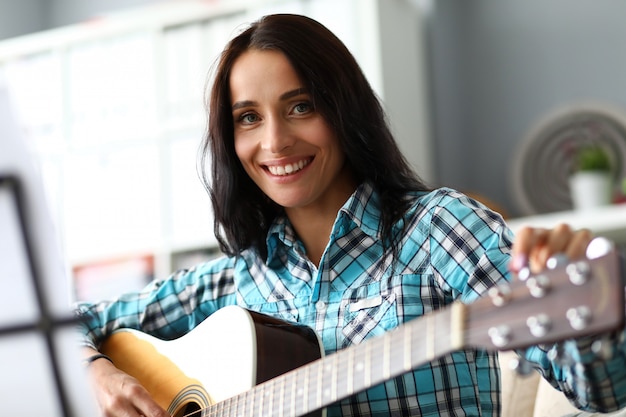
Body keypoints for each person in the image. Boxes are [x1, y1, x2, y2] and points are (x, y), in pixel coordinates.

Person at [75, 13, 626, 417]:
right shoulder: (233, 280)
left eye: (301, 106)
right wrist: (96, 375)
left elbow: (602, 391)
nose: (275, 141)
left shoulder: (439, 230)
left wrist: (584, 333)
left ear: (344, 111)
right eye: (248, 117)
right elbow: (64, 325)